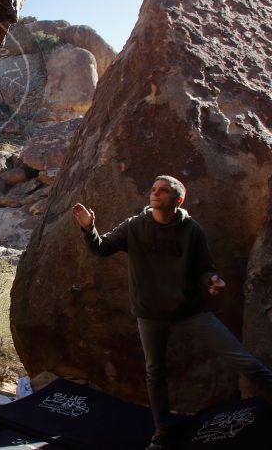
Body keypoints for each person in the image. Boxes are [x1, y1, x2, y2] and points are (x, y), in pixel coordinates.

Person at [71, 175, 272, 450]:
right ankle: (162, 432)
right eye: (153, 189)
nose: (155, 194)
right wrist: (89, 228)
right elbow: (101, 248)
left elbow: (205, 268)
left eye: (163, 191)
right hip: (150, 314)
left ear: (178, 200)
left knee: (243, 359)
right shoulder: (135, 226)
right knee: (155, 373)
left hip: (190, 312)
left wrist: (213, 281)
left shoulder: (192, 230)